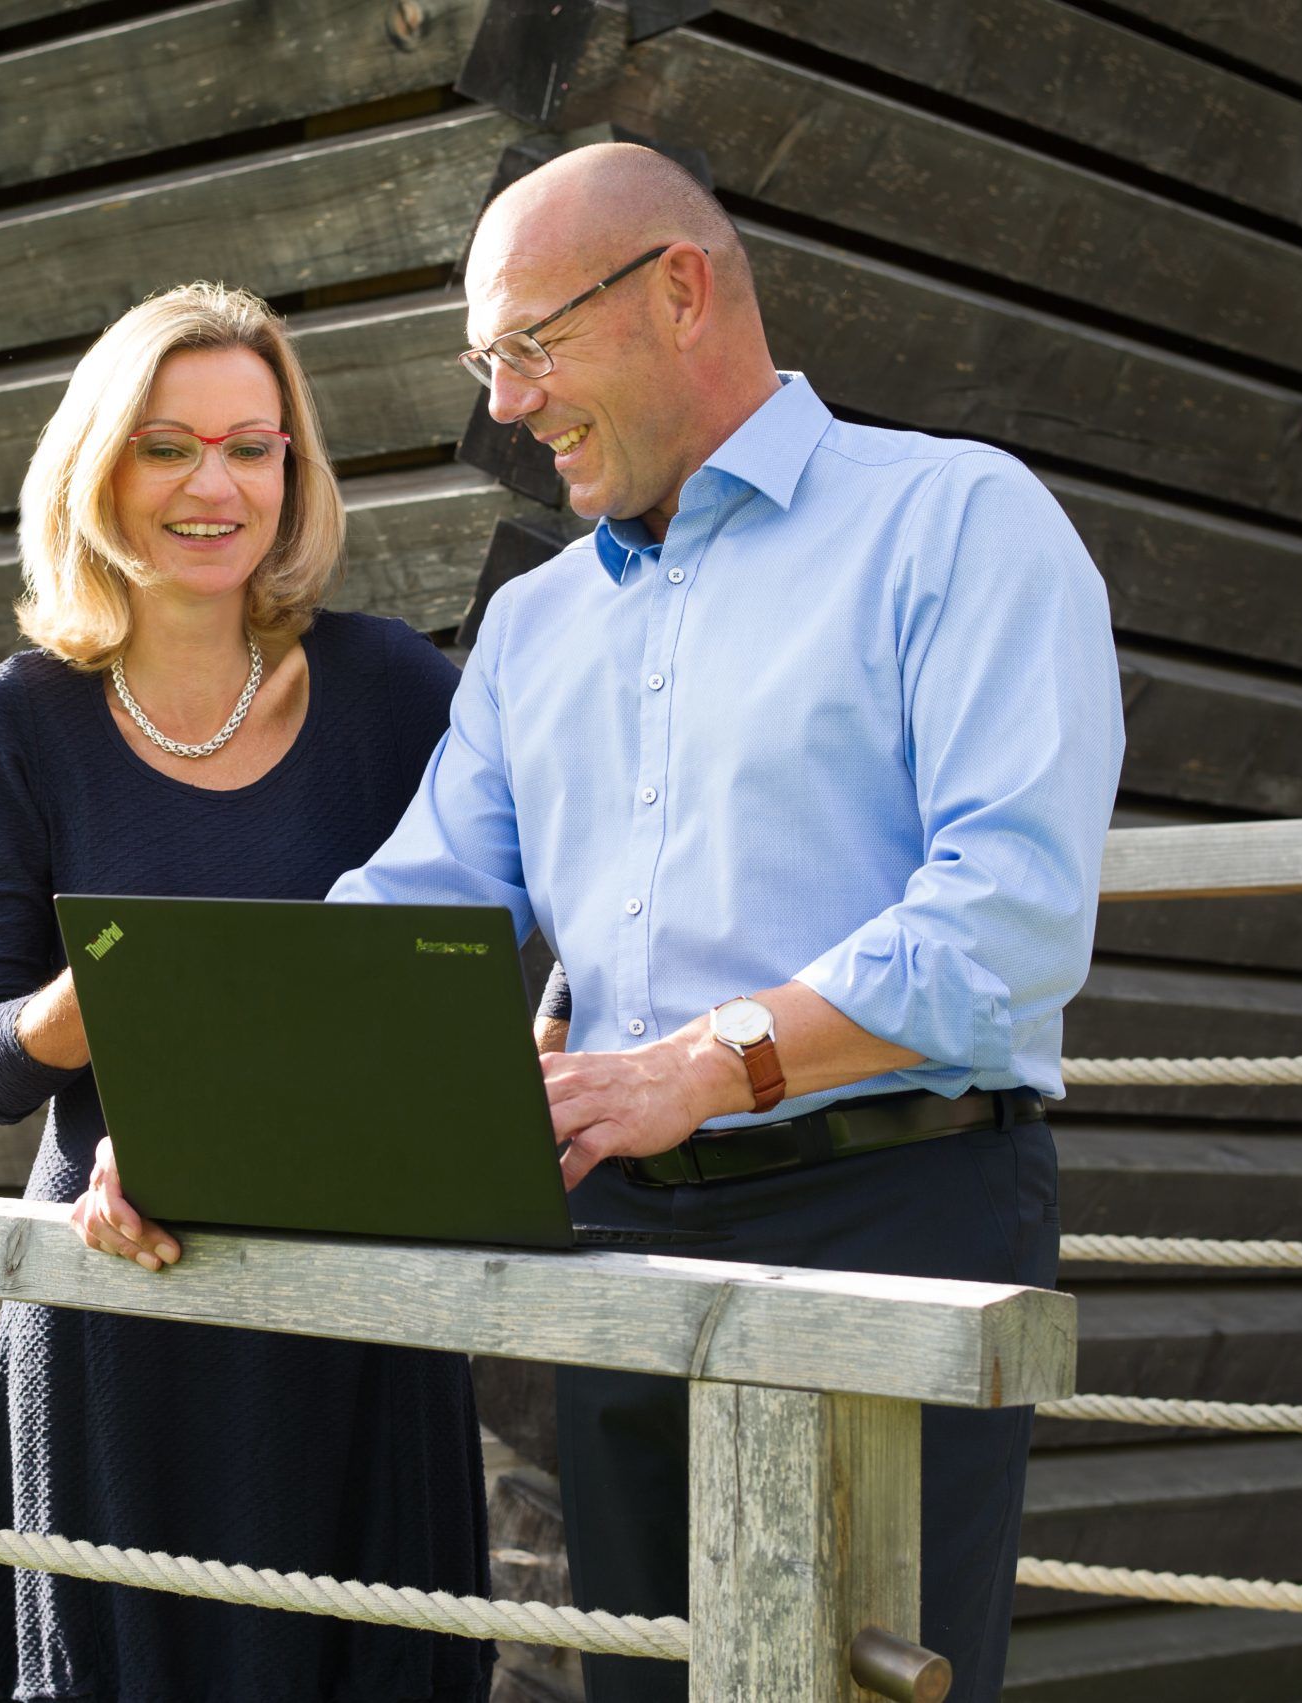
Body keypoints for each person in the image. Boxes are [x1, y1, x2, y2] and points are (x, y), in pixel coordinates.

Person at [330, 144, 1124, 1702]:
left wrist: (702, 1065)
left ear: (678, 291)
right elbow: (408, 916)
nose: (507, 402)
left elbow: (1012, 917)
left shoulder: (959, 522)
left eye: (529, 346)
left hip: (895, 1220)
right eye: (487, 363)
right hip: (619, 1249)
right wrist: (209, 1105)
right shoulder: (533, 627)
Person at [0, 281, 494, 1703]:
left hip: (358, 1326)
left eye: (253, 448)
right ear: (99, 468)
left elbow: (471, 980)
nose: (215, 486)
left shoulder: (393, 690)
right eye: (169, 446)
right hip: (122, 1309)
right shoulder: (15, 722)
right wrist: (118, 993)